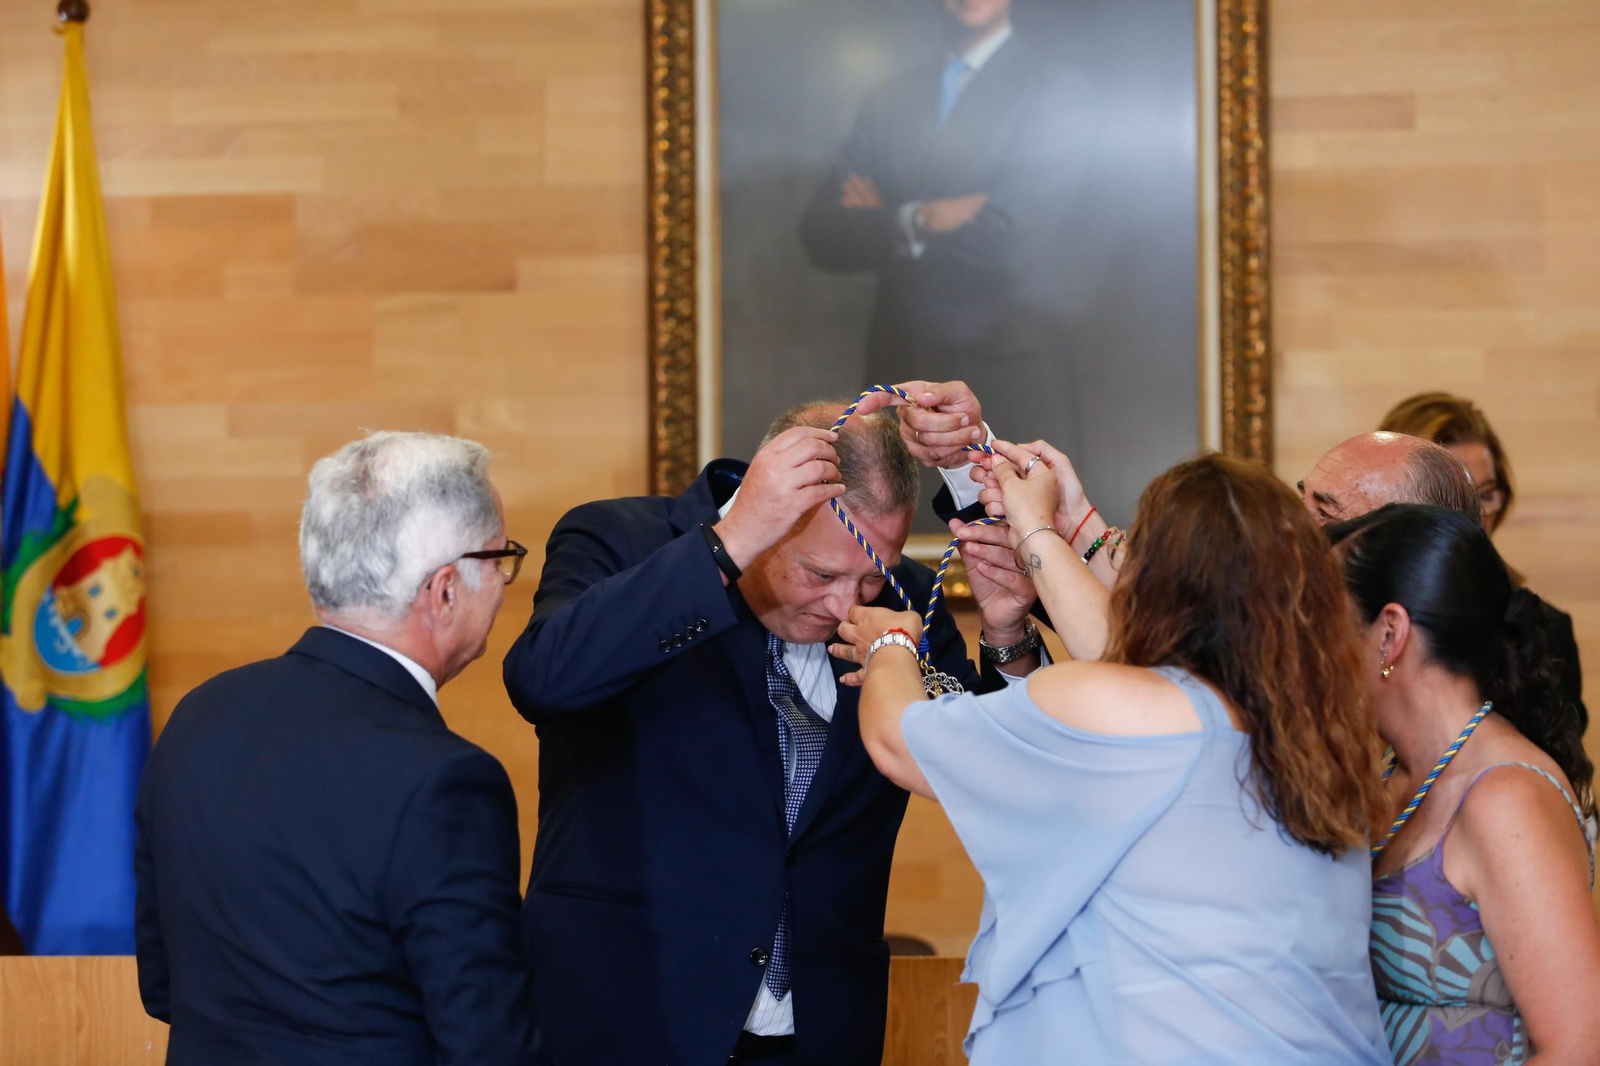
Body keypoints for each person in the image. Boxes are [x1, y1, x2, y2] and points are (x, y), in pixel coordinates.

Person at [503, 399, 1040, 1066]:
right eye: (821, 574)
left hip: (819, 1036)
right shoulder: (621, 541)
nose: (847, 604)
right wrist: (726, 548)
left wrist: (1008, 633)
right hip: (626, 1025)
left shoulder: (902, 607)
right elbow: (543, 679)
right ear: (767, 516)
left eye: (870, 574)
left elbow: (1014, 779)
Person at [832, 446, 1394, 1064]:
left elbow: (897, 740)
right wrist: (1009, 628)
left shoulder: (1136, 703)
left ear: (1153, 581)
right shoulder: (1319, 725)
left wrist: (889, 642)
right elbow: (1085, 771)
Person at [134, 432, 536, 1066]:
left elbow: (162, 985)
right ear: (446, 590)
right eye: (500, 560)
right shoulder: (446, 780)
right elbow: (488, 1044)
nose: (508, 583)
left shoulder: (199, 716)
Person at [1329, 504, 1600, 1064]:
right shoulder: (1393, 770)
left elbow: (1580, 1044)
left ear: (1389, 633)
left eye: (1324, 620)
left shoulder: (1506, 799)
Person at [800, 0, 1092, 454]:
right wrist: (921, 218)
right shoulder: (889, 97)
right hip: (898, 375)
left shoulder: (1057, 91)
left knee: (1012, 522)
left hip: (1009, 378)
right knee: (888, 524)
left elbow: (1007, 245)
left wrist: (886, 217)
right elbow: (823, 234)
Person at [1378, 391, 1585, 729]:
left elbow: (1564, 769)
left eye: (1485, 495)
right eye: (1452, 497)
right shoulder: (1354, 611)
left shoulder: (1544, 631)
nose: (1475, 516)